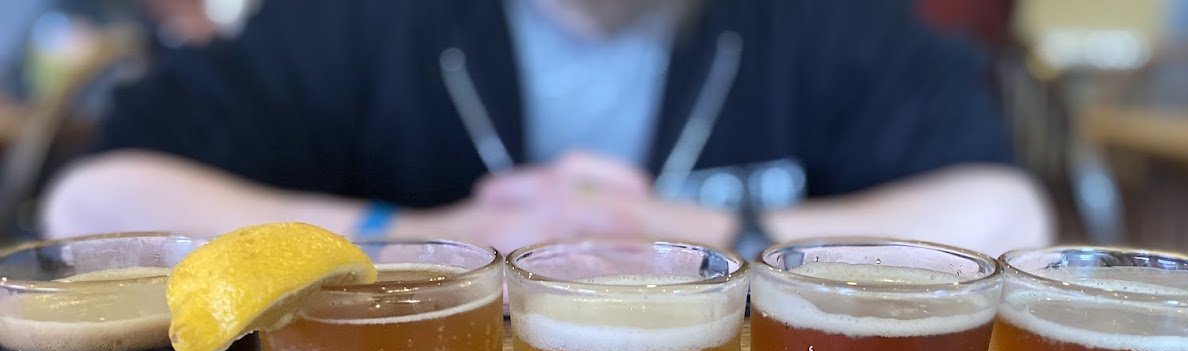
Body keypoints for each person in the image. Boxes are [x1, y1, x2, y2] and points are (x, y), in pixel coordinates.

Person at [41, 0, 1053, 255]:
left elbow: (1003, 215)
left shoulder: (821, 25)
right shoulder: (362, 20)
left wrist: (704, 238)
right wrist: (423, 236)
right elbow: (97, 200)